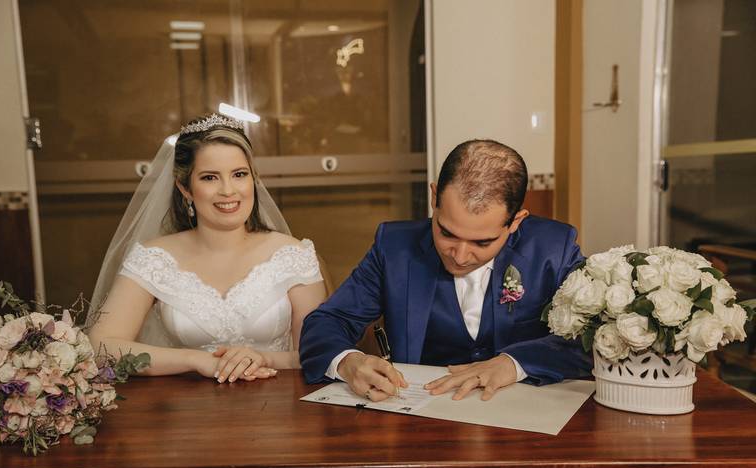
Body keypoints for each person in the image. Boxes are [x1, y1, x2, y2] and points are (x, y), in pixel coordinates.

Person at [299, 139, 592, 401]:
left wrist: (514, 363)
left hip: (529, 416)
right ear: (434, 197)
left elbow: (594, 337)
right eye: (447, 233)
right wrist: (348, 362)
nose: (460, 256)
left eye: (482, 242)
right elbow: (326, 322)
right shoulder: (395, 248)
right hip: (423, 413)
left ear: (515, 221)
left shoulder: (553, 249)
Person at [88, 113, 326, 383]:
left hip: (278, 401)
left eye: (239, 174)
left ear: (254, 179)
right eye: (210, 178)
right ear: (185, 188)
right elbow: (101, 347)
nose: (228, 190)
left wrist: (263, 358)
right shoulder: (153, 258)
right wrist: (195, 360)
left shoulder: (292, 256)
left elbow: (320, 354)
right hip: (186, 404)